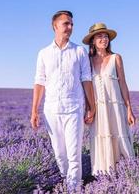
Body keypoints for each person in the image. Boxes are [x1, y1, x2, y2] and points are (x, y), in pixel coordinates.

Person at [30, 10, 95, 189]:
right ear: (55, 26)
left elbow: (86, 79)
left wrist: (91, 106)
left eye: (71, 24)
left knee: (74, 154)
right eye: (66, 23)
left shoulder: (79, 51)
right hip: (51, 109)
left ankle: (73, 189)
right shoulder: (43, 53)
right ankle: (68, 182)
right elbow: (39, 82)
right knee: (60, 154)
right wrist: (34, 110)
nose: (70, 27)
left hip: (74, 107)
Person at [82, 23, 136, 175]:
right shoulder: (87, 60)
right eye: (100, 36)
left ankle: (127, 174)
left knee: (120, 137)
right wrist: (88, 109)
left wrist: (129, 109)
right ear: (93, 40)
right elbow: (85, 86)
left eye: (106, 36)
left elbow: (123, 84)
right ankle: (104, 177)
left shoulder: (116, 58)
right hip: (98, 109)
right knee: (101, 139)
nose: (104, 39)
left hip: (116, 107)